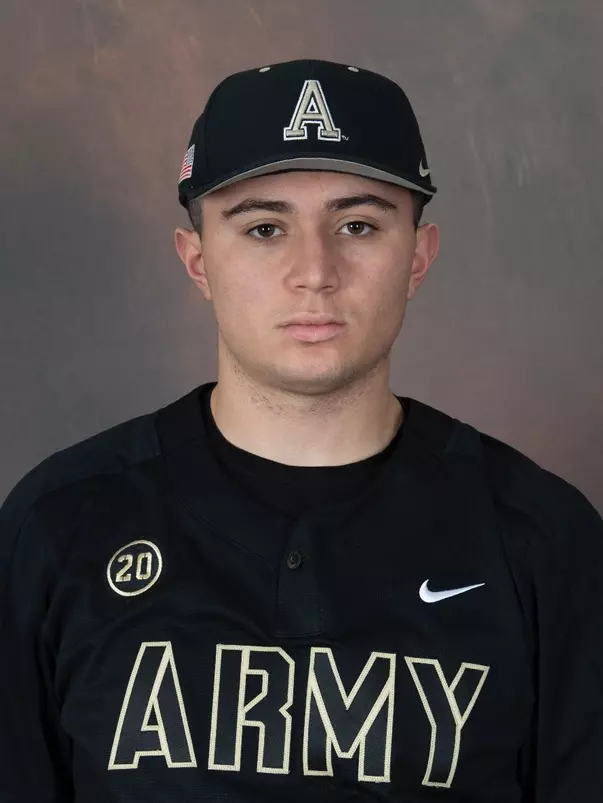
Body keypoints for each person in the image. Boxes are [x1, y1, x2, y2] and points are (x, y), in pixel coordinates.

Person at [1, 58, 601, 802]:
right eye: (262, 227)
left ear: (417, 255)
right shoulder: (60, 525)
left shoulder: (542, 539)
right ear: (197, 261)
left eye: (357, 224)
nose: (313, 271)